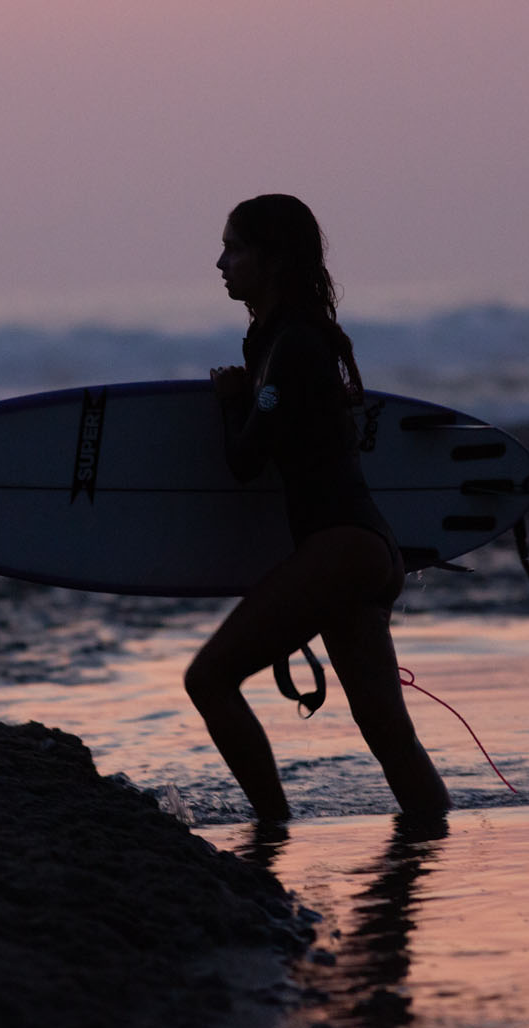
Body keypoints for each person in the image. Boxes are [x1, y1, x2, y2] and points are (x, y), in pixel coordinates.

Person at [185, 194, 450, 821]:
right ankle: (433, 839)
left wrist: (229, 401)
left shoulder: (293, 346)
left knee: (210, 680)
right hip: (365, 549)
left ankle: (272, 831)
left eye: (233, 248)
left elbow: (246, 461)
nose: (220, 262)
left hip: (339, 548)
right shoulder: (285, 341)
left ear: (271, 260)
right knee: (389, 735)